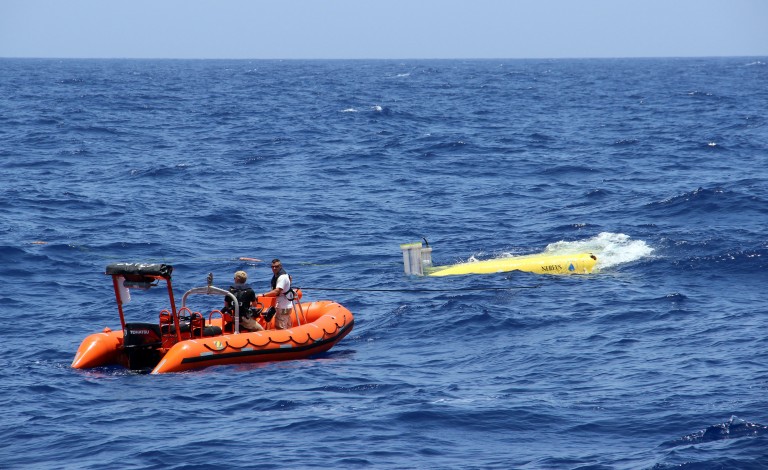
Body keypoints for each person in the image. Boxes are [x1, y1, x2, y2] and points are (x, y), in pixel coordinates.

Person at [258, 259, 294, 330]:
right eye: (273, 267)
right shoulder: (282, 275)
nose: (274, 268)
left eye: (276, 266)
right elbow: (290, 279)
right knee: (287, 325)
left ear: (280, 266)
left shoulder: (282, 277)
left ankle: (284, 340)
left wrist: (263, 295)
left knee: (280, 327)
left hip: (283, 306)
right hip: (286, 305)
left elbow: (277, 291)